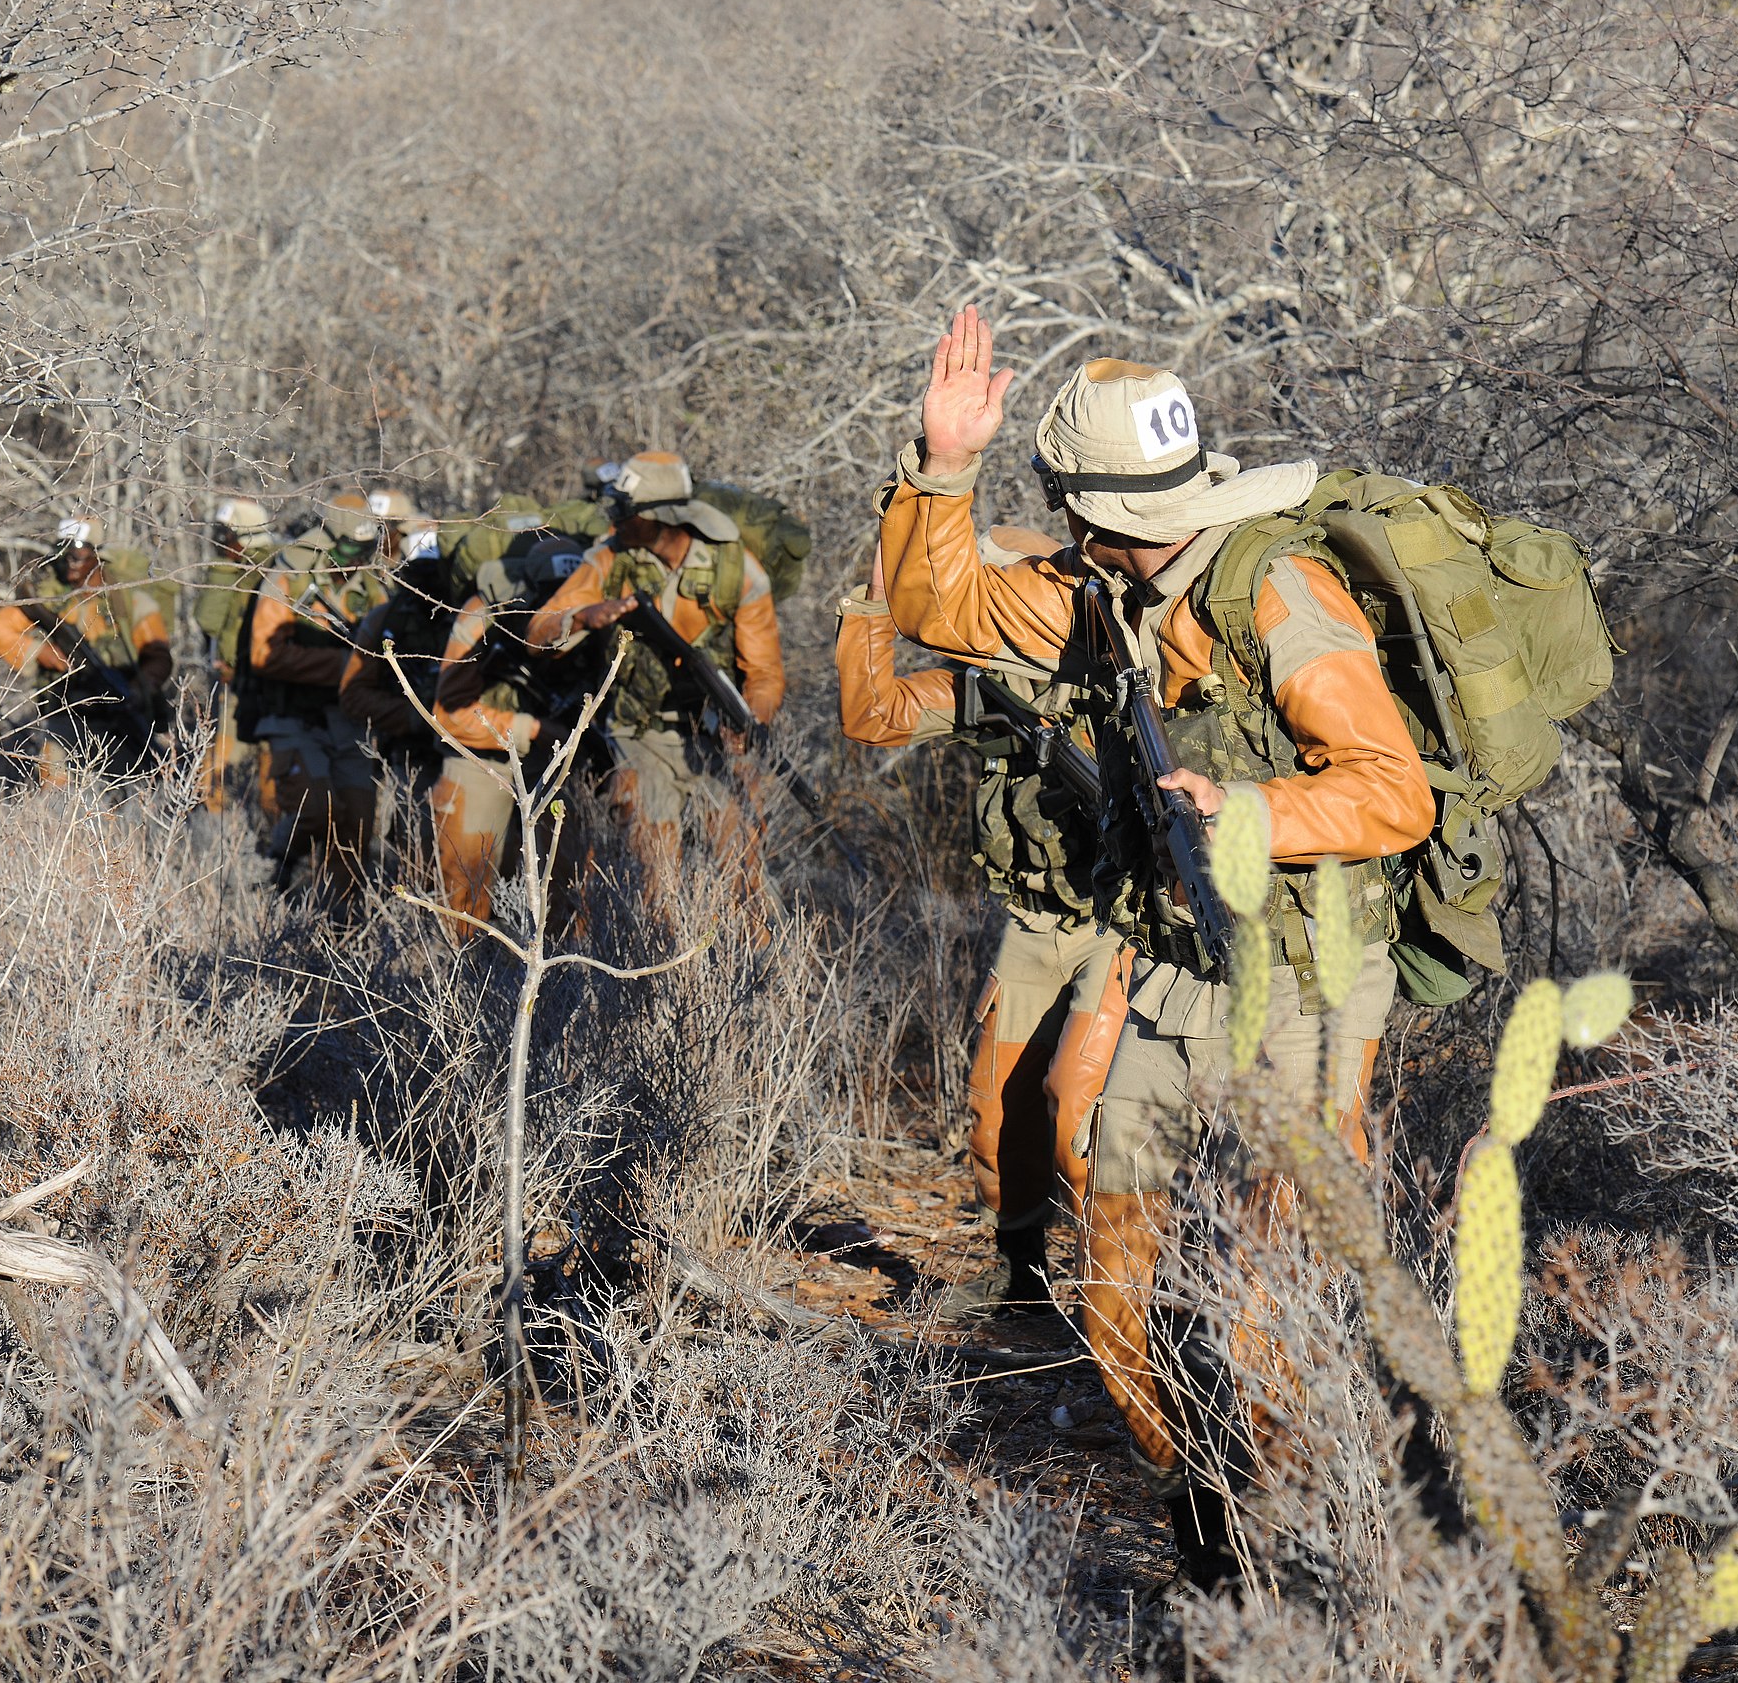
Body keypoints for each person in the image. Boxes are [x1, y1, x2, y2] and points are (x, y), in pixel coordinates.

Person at [879, 307, 1435, 1591]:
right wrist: (943, 466)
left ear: (1076, 501)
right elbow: (935, 604)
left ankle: (1337, 1560)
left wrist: (1255, 813)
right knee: (1114, 1291)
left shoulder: (1274, 589)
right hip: (1182, 971)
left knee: (1275, 1295)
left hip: (1301, 975)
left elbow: (1390, 792)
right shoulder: (1095, 592)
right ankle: (1218, 1546)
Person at [839, 544, 1131, 1316]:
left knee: (1079, 1105)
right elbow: (874, 714)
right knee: (994, 1106)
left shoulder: (1124, 667)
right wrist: (873, 604)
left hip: (1121, 921)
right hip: (1034, 918)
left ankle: (1124, 1299)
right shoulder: (992, 685)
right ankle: (1022, 1276)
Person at [526, 452, 785, 909]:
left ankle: (762, 969)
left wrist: (749, 719)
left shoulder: (736, 570)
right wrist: (586, 615)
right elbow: (539, 633)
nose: (615, 520)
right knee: (653, 871)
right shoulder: (609, 560)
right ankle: (664, 968)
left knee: (741, 869)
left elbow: (764, 672)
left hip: (714, 735)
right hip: (640, 730)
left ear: (662, 517)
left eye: (626, 511)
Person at [340, 518, 550, 933]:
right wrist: (419, 719)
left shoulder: (490, 614)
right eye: (420, 575)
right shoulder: (389, 619)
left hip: (493, 756)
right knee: (427, 873)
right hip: (416, 763)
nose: (430, 587)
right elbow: (354, 695)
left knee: (516, 873)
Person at [246, 492, 389, 905]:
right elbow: (263, 652)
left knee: (356, 824)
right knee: (315, 808)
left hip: (349, 720)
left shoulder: (371, 587)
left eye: (366, 549)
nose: (358, 559)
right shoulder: (288, 575)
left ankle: (340, 925)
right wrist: (343, 665)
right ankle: (279, 865)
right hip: (294, 716)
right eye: (350, 549)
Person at [0, 515, 172, 786]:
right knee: (55, 797)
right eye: (63, 555)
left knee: (131, 792)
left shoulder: (128, 601)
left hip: (119, 716)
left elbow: (159, 656)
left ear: (97, 557)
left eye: (77, 556)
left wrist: (140, 687)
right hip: (66, 714)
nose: (68, 564)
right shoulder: (51, 598)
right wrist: (38, 651)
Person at [192, 496, 277, 812]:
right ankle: (216, 840)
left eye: (227, 535)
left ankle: (276, 851)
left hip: (270, 689)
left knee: (275, 780)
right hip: (236, 685)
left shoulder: (273, 571)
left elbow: (209, 619)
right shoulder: (232, 568)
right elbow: (210, 620)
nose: (220, 542)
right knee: (215, 776)